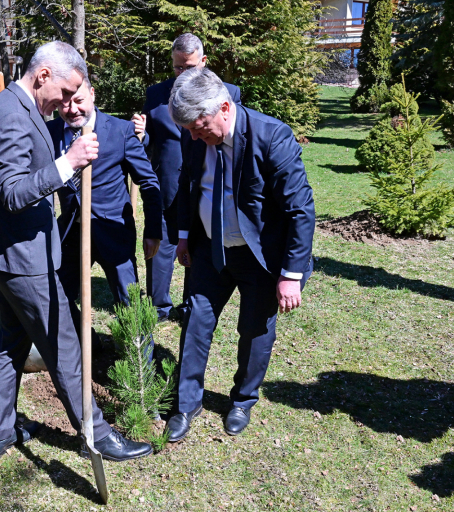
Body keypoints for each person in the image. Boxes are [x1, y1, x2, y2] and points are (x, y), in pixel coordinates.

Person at [0, 41, 152, 463]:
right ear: (44, 75)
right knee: (64, 346)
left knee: (12, 341)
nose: (67, 103)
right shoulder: (10, 114)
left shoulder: (18, 107)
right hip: (21, 257)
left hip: (5, 250)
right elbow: (13, 192)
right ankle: (96, 436)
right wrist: (69, 162)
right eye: (65, 92)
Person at [165, 68, 315, 442]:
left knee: (254, 330)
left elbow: (300, 209)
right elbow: (187, 184)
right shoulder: (195, 135)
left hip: (259, 255)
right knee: (196, 323)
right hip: (209, 249)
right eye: (189, 130)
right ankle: (186, 404)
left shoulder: (271, 136)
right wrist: (183, 236)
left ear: (224, 108)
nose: (194, 137)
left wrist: (291, 274)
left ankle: (243, 400)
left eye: (200, 128)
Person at [133, 33, 241, 323]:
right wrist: (141, 135)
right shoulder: (155, 95)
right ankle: (159, 306)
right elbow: (148, 142)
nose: (182, 73)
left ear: (203, 61)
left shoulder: (228, 92)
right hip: (167, 183)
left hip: (205, 186)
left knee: (198, 245)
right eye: (177, 67)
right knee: (162, 246)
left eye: (189, 67)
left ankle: (191, 303)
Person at [46, 78, 162, 320]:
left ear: (92, 94)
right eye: (64, 103)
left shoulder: (120, 130)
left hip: (113, 231)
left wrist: (153, 231)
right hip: (71, 231)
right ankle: (80, 339)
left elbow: (149, 182)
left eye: (78, 100)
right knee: (57, 298)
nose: (72, 109)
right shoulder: (50, 132)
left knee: (129, 305)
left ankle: (139, 347)